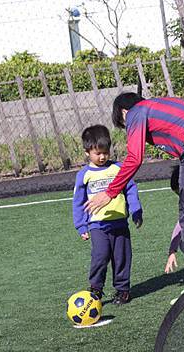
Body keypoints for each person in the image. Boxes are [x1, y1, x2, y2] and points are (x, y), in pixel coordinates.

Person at [85, 93, 184, 305]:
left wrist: (110, 192)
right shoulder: (162, 103)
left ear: (123, 113)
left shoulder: (136, 113)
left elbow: (134, 157)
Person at [73, 125, 143, 305]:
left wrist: (136, 210)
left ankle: (123, 290)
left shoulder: (119, 168)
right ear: (87, 152)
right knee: (100, 256)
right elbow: (78, 202)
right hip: (98, 226)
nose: (103, 157)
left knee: (122, 257)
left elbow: (131, 189)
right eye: (98, 153)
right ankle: (96, 288)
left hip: (120, 224)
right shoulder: (84, 175)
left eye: (106, 152)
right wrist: (81, 225)